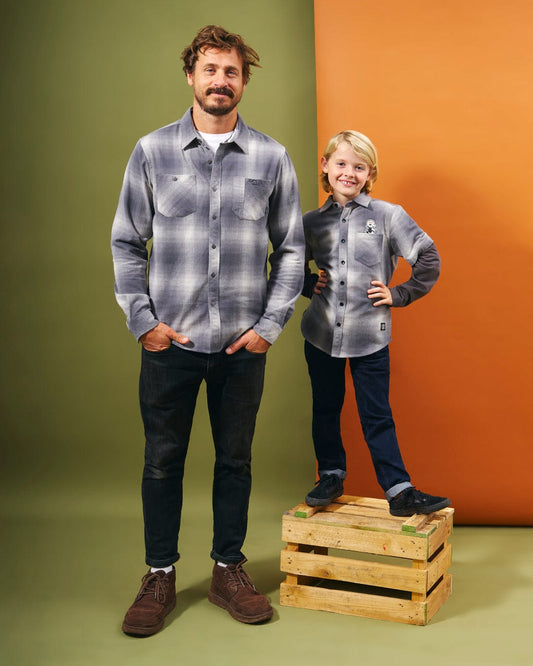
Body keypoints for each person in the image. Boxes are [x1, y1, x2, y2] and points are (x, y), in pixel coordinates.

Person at [111, 25, 304, 636]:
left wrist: (270, 326)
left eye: (232, 72)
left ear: (243, 82)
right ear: (191, 76)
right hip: (172, 344)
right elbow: (125, 241)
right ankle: (160, 574)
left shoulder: (272, 157)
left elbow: (293, 249)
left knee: (235, 461)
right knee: (163, 463)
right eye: (210, 69)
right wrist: (145, 325)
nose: (220, 81)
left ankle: (228, 569)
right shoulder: (151, 151)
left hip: (242, 347)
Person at [301, 130, 450, 516]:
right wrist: (306, 283)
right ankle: (330, 475)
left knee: (376, 413)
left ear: (370, 174)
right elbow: (281, 263)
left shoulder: (388, 216)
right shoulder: (311, 222)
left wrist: (399, 294)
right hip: (320, 334)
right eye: (341, 164)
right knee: (325, 407)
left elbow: (428, 257)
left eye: (359, 167)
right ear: (326, 166)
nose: (349, 172)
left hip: (370, 337)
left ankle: (399, 491)